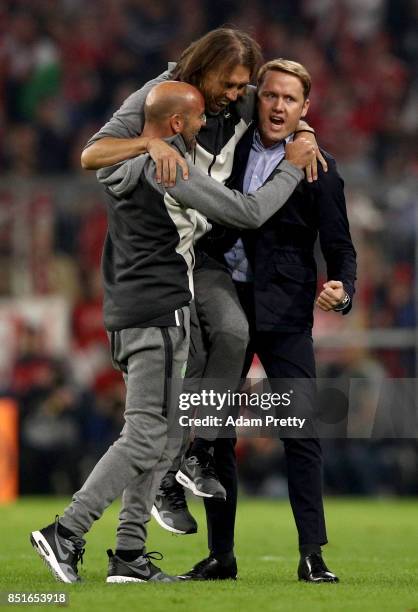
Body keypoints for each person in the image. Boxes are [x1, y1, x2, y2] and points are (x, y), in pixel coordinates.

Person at [30, 79, 316, 584]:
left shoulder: (120, 163)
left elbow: (95, 155)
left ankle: (129, 554)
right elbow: (246, 212)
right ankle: (67, 530)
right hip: (160, 310)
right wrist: (292, 166)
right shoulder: (169, 166)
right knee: (144, 437)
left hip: (125, 310)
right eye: (200, 118)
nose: (207, 124)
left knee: (159, 439)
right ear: (178, 123)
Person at [206, 58, 357, 582]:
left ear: (304, 109)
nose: (278, 106)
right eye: (270, 95)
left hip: (287, 312)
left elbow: (340, 246)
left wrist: (343, 287)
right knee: (215, 431)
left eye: (290, 100)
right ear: (256, 98)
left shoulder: (320, 166)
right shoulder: (230, 147)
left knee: (300, 432)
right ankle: (221, 555)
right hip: (225, 301)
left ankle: (312, 553)